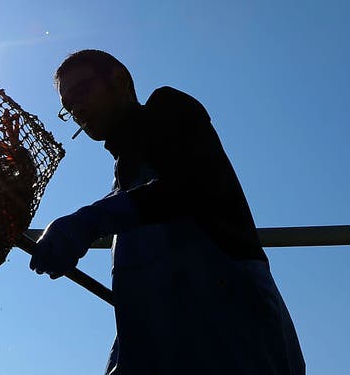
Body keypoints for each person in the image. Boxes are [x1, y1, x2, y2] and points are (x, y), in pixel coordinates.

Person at [29, 50, 305, 374]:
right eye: (68, 104)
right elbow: (139, 329)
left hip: (238, 337)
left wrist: (87, 222)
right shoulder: (121, 193)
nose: (76, 108)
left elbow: (187, 185)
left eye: (83, 91)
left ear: (120, 80)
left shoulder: (168, 107)